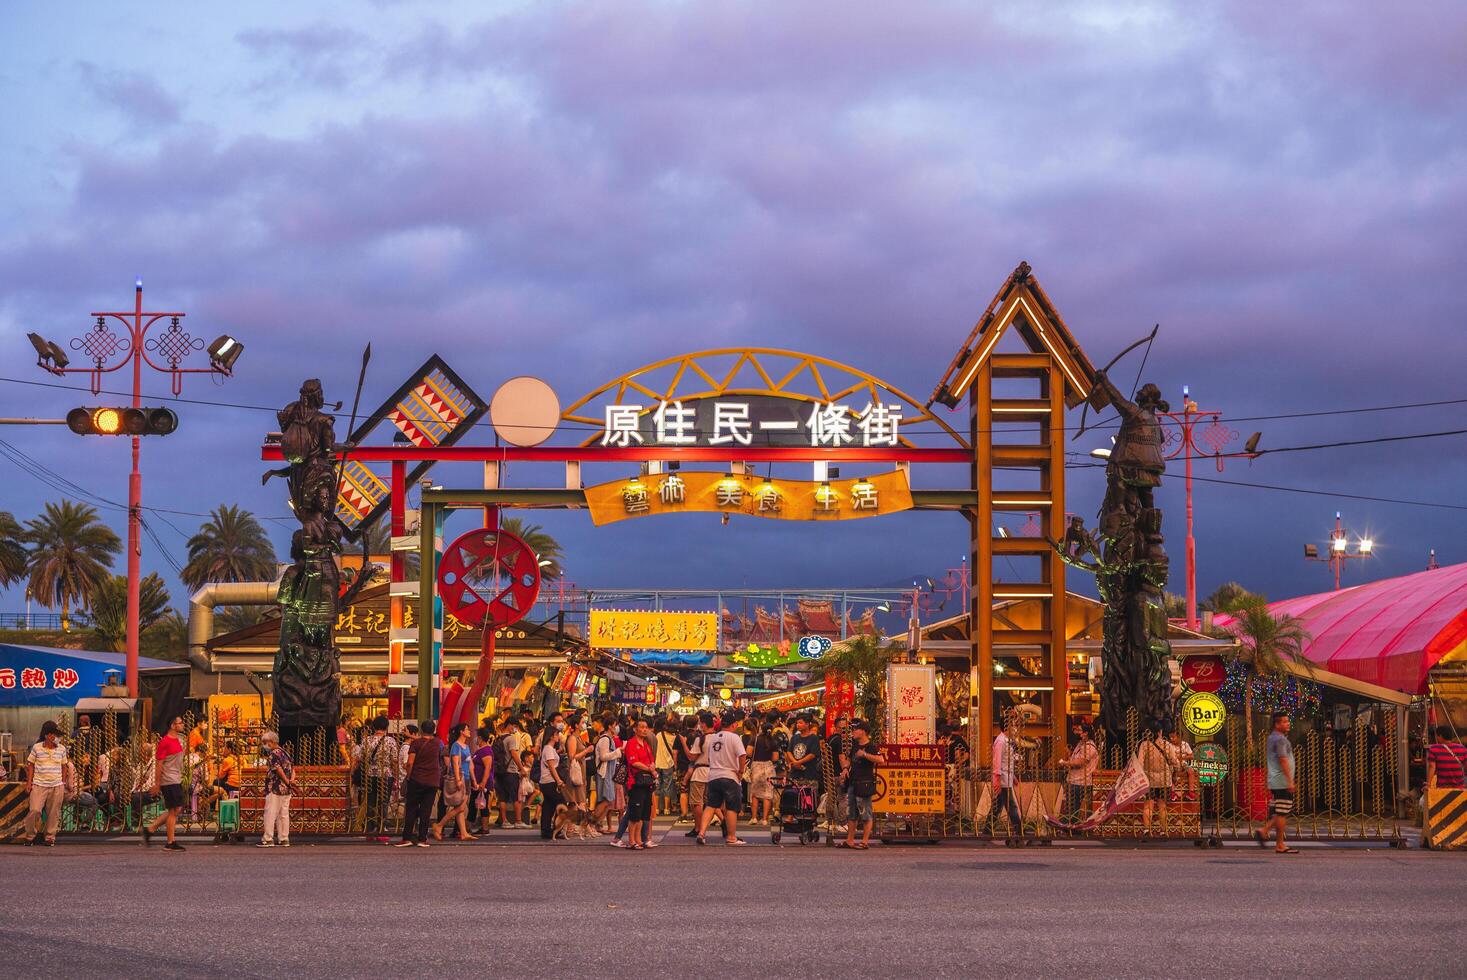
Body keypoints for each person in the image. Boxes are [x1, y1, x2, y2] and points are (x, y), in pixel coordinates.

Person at [696, 710, 748, 846]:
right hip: (730, 776)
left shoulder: (713, 737)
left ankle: (701, 833)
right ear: (734, 724)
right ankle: (731, 837)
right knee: (731, 807)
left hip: (713, 776)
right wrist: (741, 771)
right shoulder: (734, 737)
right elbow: (742, 755)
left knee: (711, 805)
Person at [24, 720, 72, 847]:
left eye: (55, 734)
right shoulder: (37, 748)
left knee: (53, 813)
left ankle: (50, 837)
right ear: (46, 735)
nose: (54, 737)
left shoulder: (61, 749)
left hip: (56, 785)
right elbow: (31, 766)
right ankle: (30, 835)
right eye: (51, 734)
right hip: (39, 784)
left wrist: (63, 781)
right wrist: (29, 783)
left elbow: (64, 766)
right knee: (34, 810)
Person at [144, 716, 188, 851]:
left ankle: (151, 828)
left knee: (176, 809)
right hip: (169, 780)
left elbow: (178, 758)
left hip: (176, 778)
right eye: (180, 723)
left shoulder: (178, 740)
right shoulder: (165, 741)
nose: (183, 725)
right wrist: (157, 784)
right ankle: (170, 842)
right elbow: (159, 764)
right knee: (174, 810)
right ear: (173, 725)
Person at [397, 720, 442, 848]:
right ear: (433, 730)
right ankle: (423, 838)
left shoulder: (416, 743)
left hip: (417, 779)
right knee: (426, 810)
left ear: (421, 730)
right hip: (432, 780)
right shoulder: (438, 743)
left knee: (411, 808)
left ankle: (407, 838)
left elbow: (410, 762)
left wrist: (409, 775)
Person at [355, 717, 399, 837]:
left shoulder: (366, 740)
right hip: (385, 775)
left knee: (370, 801)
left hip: (370, 775)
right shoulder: (390, 741)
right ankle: (381, 829)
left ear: (373, 727)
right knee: (383, 802)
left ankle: (369, 829)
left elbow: (359, 758)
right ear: (386, 727)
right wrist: (396, 776)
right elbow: (394, 761)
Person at [840, 720, 880, 849]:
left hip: (864, 784)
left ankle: (864, 841)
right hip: (853, 783)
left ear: (863, 731)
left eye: (855, 730)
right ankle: (850, 840)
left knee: (865, 813)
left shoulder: (871, 747)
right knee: (852, 813)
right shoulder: (855, 746)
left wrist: (865, 754)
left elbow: (881, 759)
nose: (853, 733)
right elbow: (849, 761)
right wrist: (845, 769)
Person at [1262, 712, 1298, 854]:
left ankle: (1277, 842)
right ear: (1277, 724)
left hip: (1276, 779)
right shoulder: (1280, 740)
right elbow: (1283, 759)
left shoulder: (1272, 738)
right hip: (1282, 780)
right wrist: (1290, 780)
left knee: (1280, 811)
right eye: (1284, 721)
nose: (1288, 723)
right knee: (1282, 812)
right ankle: (1270, 835)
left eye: (1288, 721)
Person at [433, 724, 476, 842]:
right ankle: (439, 825)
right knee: (461, 806)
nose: (469, 731)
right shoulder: (456, 746)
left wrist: (474, 781)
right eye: (467, 729)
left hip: (466, 778)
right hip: (461, 778)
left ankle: (463, 833)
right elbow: (455, 764)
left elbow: (470, 765)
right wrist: (457, 779)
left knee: (460, 807)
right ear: (461, 732)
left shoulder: (466, 746)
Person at [257, 730, 298, 847]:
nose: (264, 745)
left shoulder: (273, 754)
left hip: (275, 788)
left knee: (270, 813)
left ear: (271, 742)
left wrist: (286, 781)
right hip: (286, 789)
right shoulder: (285, 752)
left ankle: (268, 838)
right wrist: (291, 781)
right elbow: (293, 769)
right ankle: (284, 838)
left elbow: (278, 769)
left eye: (265, 742)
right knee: (283, 814)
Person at [624, 717, 658, 850]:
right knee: (635, 814)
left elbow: (651, 760)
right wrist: (649, 768)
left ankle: (639, 839)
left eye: (646, 727)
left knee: (644, 813)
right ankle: (632, 840)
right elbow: (633, 762)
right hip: (636, 782)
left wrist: (653, 769)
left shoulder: (646, 744)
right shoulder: (632, 744)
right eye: (642, 727)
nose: (645, 730)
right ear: (635, 729)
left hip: (647, 782)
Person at [1056, 721, 1099, 826]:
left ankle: (1071, 829)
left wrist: (1065, 763)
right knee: (1070, 809)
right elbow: (1075, 758)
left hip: (1081, 783)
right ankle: (1069, 828)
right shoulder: (1081, 744)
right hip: (1073, 781)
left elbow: (1081, 762)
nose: (1076, 732)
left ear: (1086, 733)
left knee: (1073, 810)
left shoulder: (1089, 747)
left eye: (1079, 730)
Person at [989, 716, 1022, 837]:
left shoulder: (1008, 740)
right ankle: (1019, 830)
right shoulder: (1001, 741)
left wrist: (1013, 776)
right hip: (1002, 778)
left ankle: (987, 830)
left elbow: (1008, 761)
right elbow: (997, 761)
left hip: (1006, 777)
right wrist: (997, 779)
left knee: (997, 805)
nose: (1015, 728)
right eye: (1013, 725)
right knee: (1011, 805)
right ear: (1007, 726)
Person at [1137, 731, 1173, 835]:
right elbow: (1174, 761)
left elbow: (1140, 763)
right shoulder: (1167, 745)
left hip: (1150, 780)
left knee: (1148, 805)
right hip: (1164, 780)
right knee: (1162, 805)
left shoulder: (1144, 745)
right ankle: (1163, 831)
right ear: (1160, 732)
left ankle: (1147, 830)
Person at [493, 720, 527, 829]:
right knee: (516, 797)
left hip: (499, 771)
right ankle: (518, 821)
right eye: (514, 725)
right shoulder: (511, 738)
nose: (515, 728)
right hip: (510, 771)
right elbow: (514, 753)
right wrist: (521, 768)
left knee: (502, 797)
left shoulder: (498, 738)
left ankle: (504, 821)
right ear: (509, 725)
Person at [593, 713, 623, 836]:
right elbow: (604, 757)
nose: (617, 727)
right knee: (605, 800)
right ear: (610, 726)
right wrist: (617, 752)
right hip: (604, 774)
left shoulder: (610, 739)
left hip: (609, 773)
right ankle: (591, 824)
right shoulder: (605, 739)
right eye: (615, 725)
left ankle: (597, 824)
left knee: (609, 801)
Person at [683, 713, 711, 838]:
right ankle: (723, 823)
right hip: (713, 773)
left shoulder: (701, 739)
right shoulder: (718, 738)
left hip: (699, 773)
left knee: (696, 803)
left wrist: (683, 743)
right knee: (711, 803)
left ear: (703, 724)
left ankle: (699, 827)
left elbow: (691, 757)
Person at [538, 725, 568, 840]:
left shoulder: (548, 748)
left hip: (546, 781)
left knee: (548, 805)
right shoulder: (548, 749)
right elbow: (552, 767)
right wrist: (559, 781)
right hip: (550, 781)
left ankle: (546, 830)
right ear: (551, 736)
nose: (558, 737)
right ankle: (556, 829)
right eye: (556, 735)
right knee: (561, 802)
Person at [748, 723, 779, 826]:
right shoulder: (773, 741)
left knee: (755, 794)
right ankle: (765, 819)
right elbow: (775, 758)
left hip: (756, 767)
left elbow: (748, 752)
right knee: (767, 794)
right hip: (769, 767)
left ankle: (754, 818)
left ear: (761, 729)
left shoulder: (755, 739)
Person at [471, 724, 496, 835]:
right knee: (479, 804)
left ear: (480, 738)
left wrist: (483, 782)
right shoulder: (480, 750)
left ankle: (482, 828)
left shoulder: (486, 750)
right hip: (478, 782)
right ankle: (483, 828)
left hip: (482, 783)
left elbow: (488, 767)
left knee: (478, 804)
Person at [1426, 725, 1467, 790]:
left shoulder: (1434, 749)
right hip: (1459, 787)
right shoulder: (1462, 748)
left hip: (1442, 787)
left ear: (1440, 736)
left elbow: (1432, 766)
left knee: (1422, 800)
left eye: (1437, 735)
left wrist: (1428, 784)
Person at [654, 717, 679, 817]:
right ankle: (666, 809)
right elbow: (674, 753)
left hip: (657, 763)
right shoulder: (674, 738)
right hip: (668, 764)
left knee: (657, 786)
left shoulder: (659, 735)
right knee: (667, 786)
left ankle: (656, 808)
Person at [1169, 729, 1196, 802]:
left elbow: (1191, 756)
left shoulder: (1185, 744)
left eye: (1173, 737)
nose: (1171, 739)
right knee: (1170, 771)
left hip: (1184, 763)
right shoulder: (1169, 745)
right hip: (1174, 764)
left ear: (1179, 737)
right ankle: (1172, 793)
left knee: (1191, 771)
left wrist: (1182, 757)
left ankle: (1191, 792)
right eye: (1170, 737)